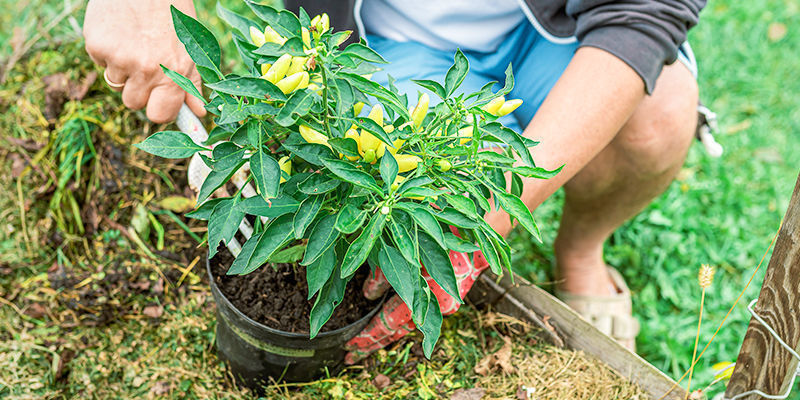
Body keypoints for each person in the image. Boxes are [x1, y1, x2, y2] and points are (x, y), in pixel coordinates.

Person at [84, 0, 704, 357]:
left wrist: (489, 218)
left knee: (658, 114)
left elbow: (644, 13)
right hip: (382, 40)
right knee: (361, 176)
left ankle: (581, 249)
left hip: (559, 31)